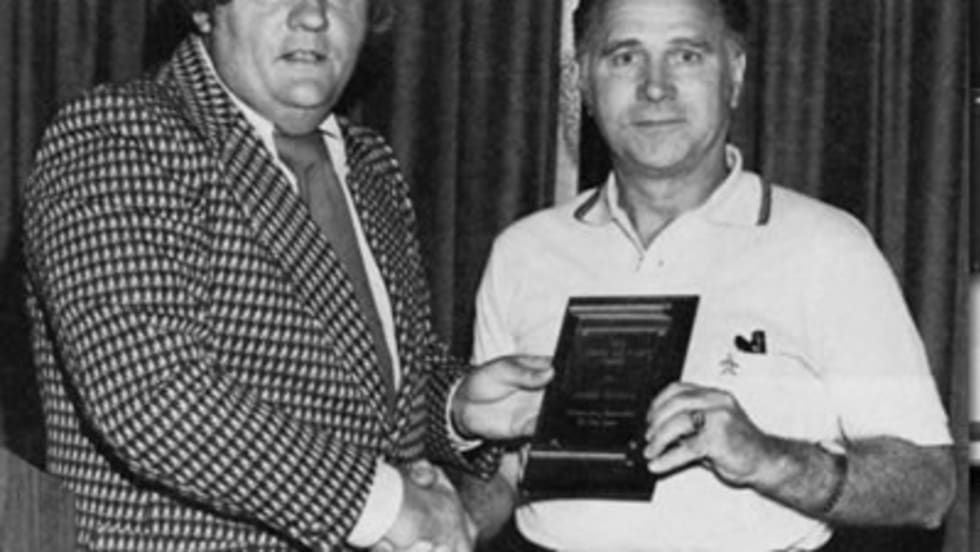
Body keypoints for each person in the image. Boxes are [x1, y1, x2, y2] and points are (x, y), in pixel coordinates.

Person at [21, 0, 550, 550]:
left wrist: (458, 405)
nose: (313, 16)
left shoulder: (372, 166)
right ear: (206, 11)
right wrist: (387, 504)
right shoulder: (120, 136)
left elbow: (368, 391)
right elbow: (149, 392)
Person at [472, 0, 956, 550]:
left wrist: (767, 458)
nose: (655, 87)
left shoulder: (827, 247)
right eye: (625, 56)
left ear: (736, 73)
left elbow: (927, 486)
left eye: (686, 55)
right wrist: (449, 512)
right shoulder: (523, 251)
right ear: (583, 80)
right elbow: (498, 476)